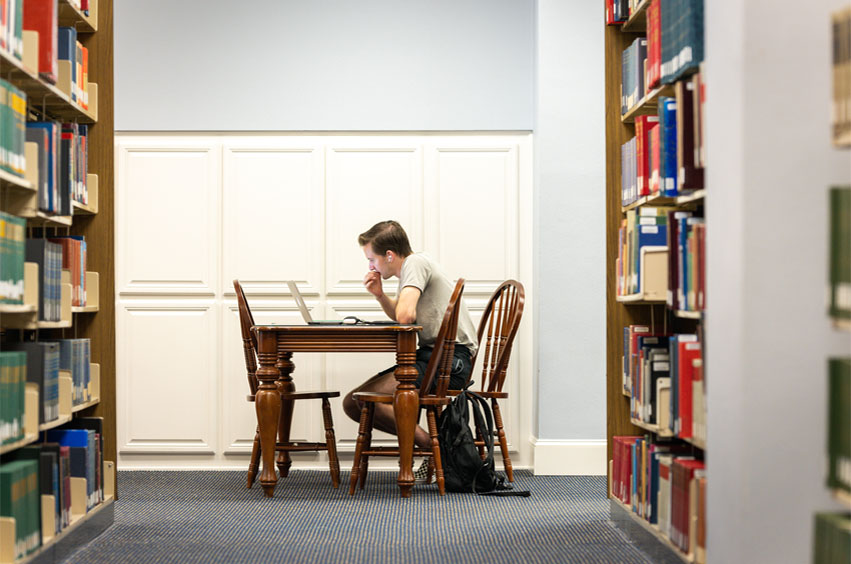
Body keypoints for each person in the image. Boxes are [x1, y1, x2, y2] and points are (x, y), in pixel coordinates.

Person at [342, 220, 479, 481]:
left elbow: (405, 317)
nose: (371, 266)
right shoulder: (411, 271)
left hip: (451, 362)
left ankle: (437, 450)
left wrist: (397, 305)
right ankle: (434, 446)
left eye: (372, 259)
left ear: (389, 255)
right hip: (434, 357)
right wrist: (380, 295)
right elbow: (404, 315)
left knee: (359, 401)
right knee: (354, 402)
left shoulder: (415, 264)